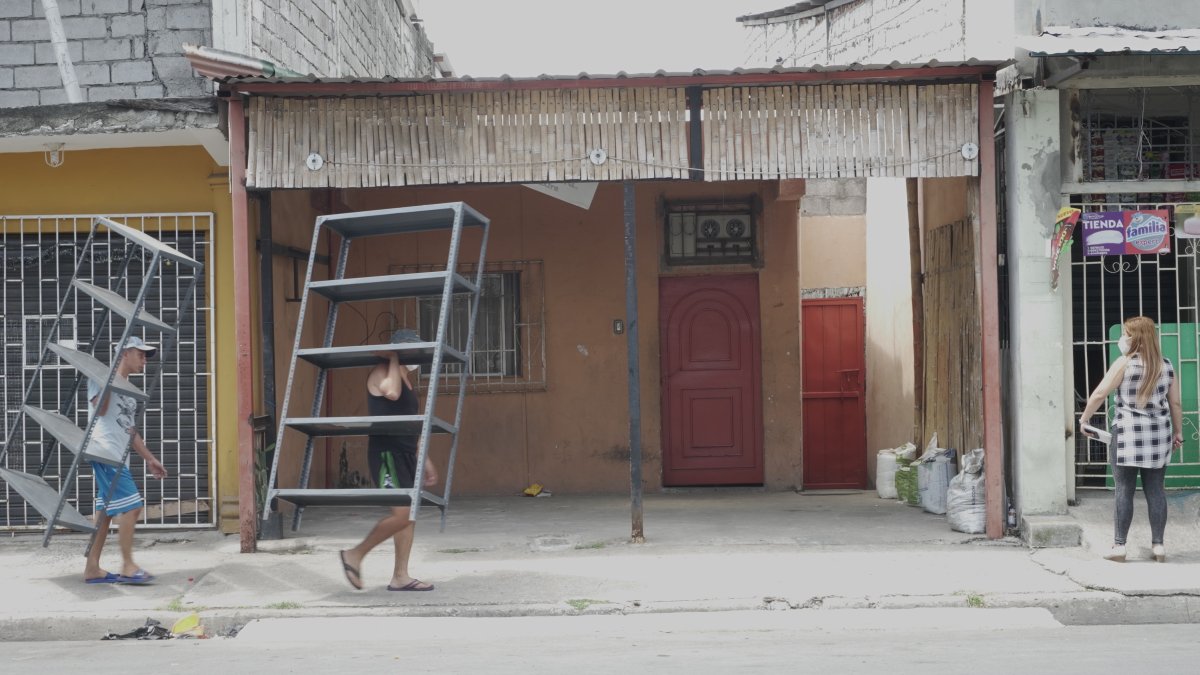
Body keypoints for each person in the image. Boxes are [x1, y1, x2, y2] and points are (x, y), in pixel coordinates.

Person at [339, 328, 438, 591]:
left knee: (409, 515)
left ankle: (400, 576)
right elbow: (391, 393)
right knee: (402, 514)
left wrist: (425, 460)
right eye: (409, 349)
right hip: (387, 453)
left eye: (417, 349)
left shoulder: (406, 378)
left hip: (406, 451)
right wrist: (393, 358)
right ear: (397, 350)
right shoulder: (383, 371)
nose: (415, 354)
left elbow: (411, 424)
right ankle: (354, 555)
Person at [1079, 316, 1182, 563]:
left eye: (1125, 334)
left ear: (1135, 338)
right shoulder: (1166, 366)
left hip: (1127, 435)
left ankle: (1119, 546)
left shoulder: (1124, 364)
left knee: (1124, 490)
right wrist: (1178, 432)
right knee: (1156, 489)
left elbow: (1100, 393)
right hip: (1158, 436)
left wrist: (1084, 419)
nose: (1122, 338)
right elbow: (1175, 403)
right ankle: (1158, 546)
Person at [82, 336, 167, 584]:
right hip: (105, 453)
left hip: (119, 456)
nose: (144, 361)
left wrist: (150, 459)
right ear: (124, 354)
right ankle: (128, 566)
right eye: (140, 355)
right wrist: (113, 379)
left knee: (104, 514)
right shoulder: (100, 377)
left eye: (145, 356)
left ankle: (92, 568)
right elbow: (100, 409)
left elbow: (130, 431)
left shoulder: (129, 393)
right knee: (133, 507)